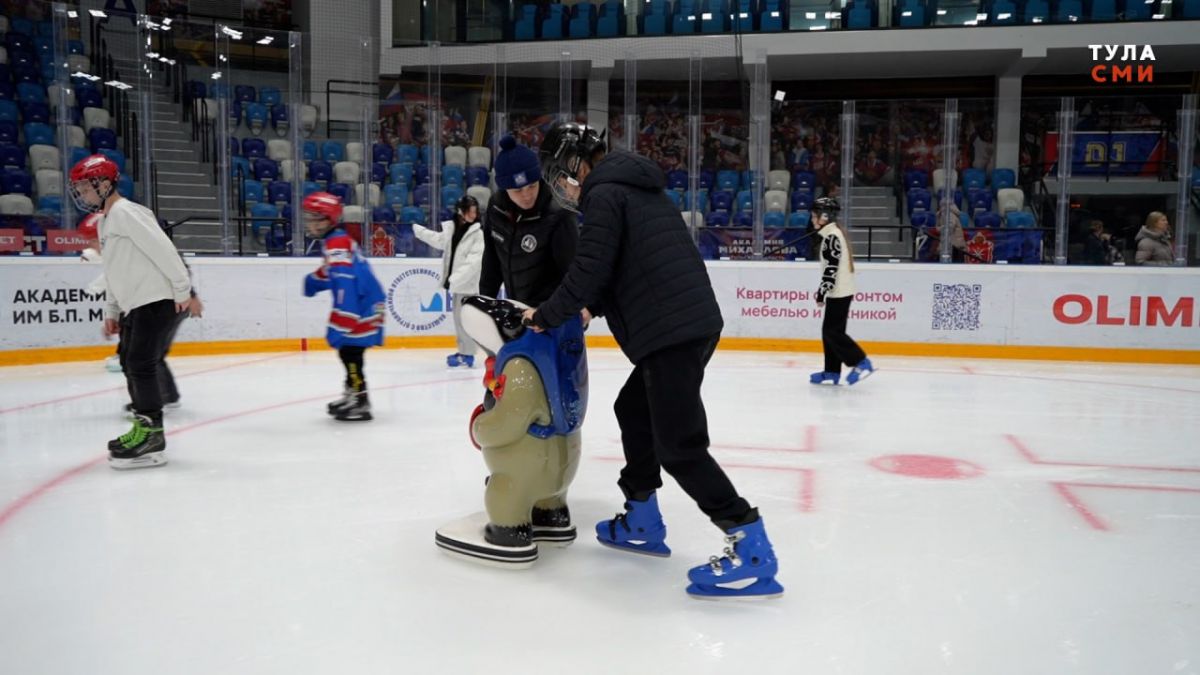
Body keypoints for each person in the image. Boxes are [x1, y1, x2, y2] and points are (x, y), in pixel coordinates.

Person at [522, 121, 783, 600]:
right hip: (686, 324)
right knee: (633, 409)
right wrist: (587, 307)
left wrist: (546, 314)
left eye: (563, 173)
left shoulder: (605, 194)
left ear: (579, 163)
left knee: (679, 446)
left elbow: (590, 268)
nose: (563, 184)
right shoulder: (632, 188)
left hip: (671, 332)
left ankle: (751, 548)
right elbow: (626, 267)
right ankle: (641, 518)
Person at [69, 155, 191, 470]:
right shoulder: (108, 221)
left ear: (105, 183)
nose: (81, 193)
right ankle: (143, 427)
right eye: (79, 187)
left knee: (141, 365)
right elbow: (113, 269)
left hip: (156, 300)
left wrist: (182, 290)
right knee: (129, 362)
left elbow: (163, 249)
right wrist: (111, 309)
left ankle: (153, 437)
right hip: (135, 304)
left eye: (85, 186)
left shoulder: (126, 213)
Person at [302, 192, 386, 422]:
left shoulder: (337, 243)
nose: (309, 223)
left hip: (363, 305)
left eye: (314, 217)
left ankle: (359, 399)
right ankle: (353, 394)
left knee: (350, 351)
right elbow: (334, 271)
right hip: (367, 302)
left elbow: (345, 282)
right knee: (350, 351)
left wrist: (343, 319)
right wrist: (314, 280)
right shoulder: (336, 240)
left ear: (327, 219)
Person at [478, 135, 579, 307]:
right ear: (505, 189)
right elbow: (491, 260)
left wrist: (560, 315)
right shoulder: (496, 208)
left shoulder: (559, 213)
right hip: (518, 310)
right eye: (517, 190)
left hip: (553, 314)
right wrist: (486, 300)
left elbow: (573, 271)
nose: (526, 195)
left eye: (532, 186)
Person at [413, 195, 485, 368]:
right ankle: (464, 351)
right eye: (470, 211)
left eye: (475, 211)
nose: (473, 215)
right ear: (461, 211)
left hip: (467, 286)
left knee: (464, 321)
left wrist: (454, 279)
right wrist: (419, 231)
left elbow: (474, 262)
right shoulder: (453, 228)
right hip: (458, 285)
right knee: (459, 320)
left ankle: (467, 355)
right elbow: (439, 241)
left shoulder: (478, 233)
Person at [809, 197, 874, 386]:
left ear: (824, 216)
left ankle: (860, 361)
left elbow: (831, 269)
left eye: (814, 216)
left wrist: (822, 292)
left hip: (839, 292)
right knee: (830, 331)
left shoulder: (831, 237)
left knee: (833, 332)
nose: (812, 220)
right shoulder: (834, 233)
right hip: (840, 291)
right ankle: (831, 371)